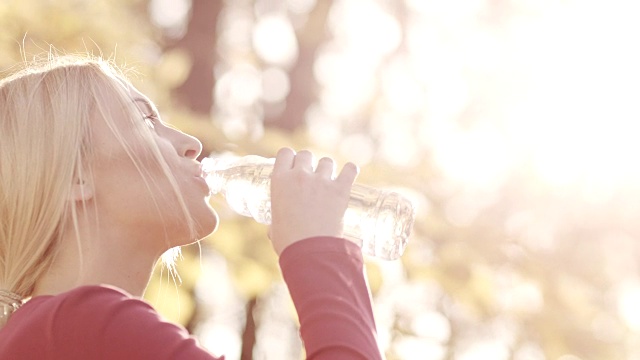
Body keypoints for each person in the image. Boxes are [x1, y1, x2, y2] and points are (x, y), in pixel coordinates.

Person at [0, 54, 383, 359]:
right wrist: (317, 250)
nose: (191, 144)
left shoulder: (53, 332)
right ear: (76, 176)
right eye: (146, 120)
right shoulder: (86, 324)